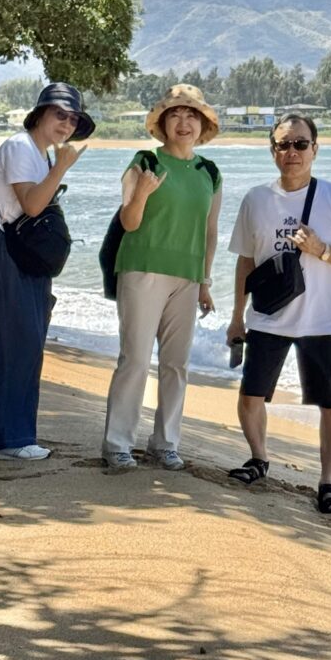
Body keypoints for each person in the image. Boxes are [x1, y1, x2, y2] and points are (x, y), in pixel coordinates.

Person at [226, 113, 331, 512]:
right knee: (252, 394)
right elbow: (244, 262)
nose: (292, 152)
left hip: (325, 319)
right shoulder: (256, 199)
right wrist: (237, 316)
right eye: (283, 144)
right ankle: (258, 458)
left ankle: (328, 482)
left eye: (300, 144)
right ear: (273, 151)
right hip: (268, 317)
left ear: (315, 149)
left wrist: (322, 250)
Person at [102, 84, 222, 471]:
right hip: (142, 269)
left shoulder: (210, 172)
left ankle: (165, 443)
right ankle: (118, 443)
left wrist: (204, 281)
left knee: (176, 364)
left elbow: (210, 230)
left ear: (202, 125)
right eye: (175, 115)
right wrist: (143, 193)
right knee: (135, 359)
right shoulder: (145, 161)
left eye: (192, 116)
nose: (183, 122)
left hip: (187, 277)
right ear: (163, 123)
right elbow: (129, 221)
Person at [0, 83, 93, 459]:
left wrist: (55, 166)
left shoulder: (37, 154)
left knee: (27, 344)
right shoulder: (20, 147)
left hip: (22, 257)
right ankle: (10, 441)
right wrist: (61, 168)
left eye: (73, 119)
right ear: (40, 113)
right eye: (60, 114)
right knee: (14, 346)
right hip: (4, 253)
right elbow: (33, 205)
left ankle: (21, 435)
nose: (66, 124)